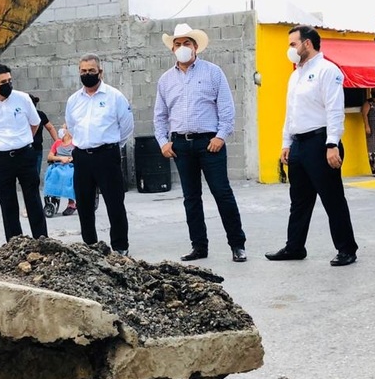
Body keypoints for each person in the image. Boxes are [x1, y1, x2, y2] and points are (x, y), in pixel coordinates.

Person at [153, 23, 247, 263]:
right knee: (191, 198)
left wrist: (220, 136)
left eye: (187, 43)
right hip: (181, 145)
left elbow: (226, 108)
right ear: (172, 49)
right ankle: (199, 246)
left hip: (209, 143)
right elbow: (160, 115)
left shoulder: (213, 72)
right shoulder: (165, 80)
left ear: (196, 47)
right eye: (178, 44)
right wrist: (163, 142)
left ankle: (237, 245)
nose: (182, 47)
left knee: (222, 193)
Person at [266, 26, 358, 266]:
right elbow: (290, 113)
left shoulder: (328, 70)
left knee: (332, 199)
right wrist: (286, 143)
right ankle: (294, 247)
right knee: (299, 201)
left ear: (307, 43)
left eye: (293, 44)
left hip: (321, 142)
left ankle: (347, 249)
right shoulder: (295, 75)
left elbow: (335, 110)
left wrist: (332, 143)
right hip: (299, 143)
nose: (290, 49)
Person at [65, 53, 134, 255]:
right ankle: (90, 246)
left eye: (91, 71)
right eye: (83, 71)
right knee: (84, 204)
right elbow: (71, 126)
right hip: (81, 157)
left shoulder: (114, 97)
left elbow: (127, 127)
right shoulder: (73, 100)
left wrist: (112, 147)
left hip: (107, 156)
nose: (87, 74)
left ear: (100, 72)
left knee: (115, 203)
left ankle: (120, 247)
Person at [0, 63, 48, 241]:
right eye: (3, 82)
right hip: (1, 159)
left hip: (25, 155)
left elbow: (35, 123)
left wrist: (22, 140)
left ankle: (42, 240)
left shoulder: (22, 99)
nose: (8, 85)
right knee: (8, 204)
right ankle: (15, 243)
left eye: (9, 80)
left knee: (33, 199)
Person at [45, 126, 77, 215]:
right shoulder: (57, 143)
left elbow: (79, 154)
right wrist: (60, 158)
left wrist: (70, 159)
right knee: (53, 173)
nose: (61, 130)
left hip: (71, 166)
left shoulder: (75, 142)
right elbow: (50, 156)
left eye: (64, 128)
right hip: (58, 165)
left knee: (68, 175)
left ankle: (71, 203)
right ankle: (53, 197)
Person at [29, 94, 59, 176]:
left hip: (36, 149)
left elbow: (50, 128)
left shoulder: (40, 114)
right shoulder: (20, 116)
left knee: (35, 174)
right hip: (23, 150)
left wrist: (57, 142)